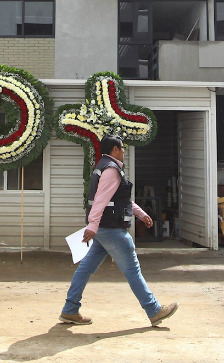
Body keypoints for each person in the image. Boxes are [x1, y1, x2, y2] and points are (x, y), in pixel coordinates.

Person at [59, 134, 178, 327]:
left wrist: (140, 214)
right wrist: (92, 225)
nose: (124, 151)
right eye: (122, 148)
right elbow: (101, 200)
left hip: (103, 230)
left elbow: (120, 200)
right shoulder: (111, 170)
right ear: (114, 150)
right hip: (112, 229)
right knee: (132, 270)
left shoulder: (103, 167)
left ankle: (70, 310)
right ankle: (154, 310)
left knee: (85, 269)